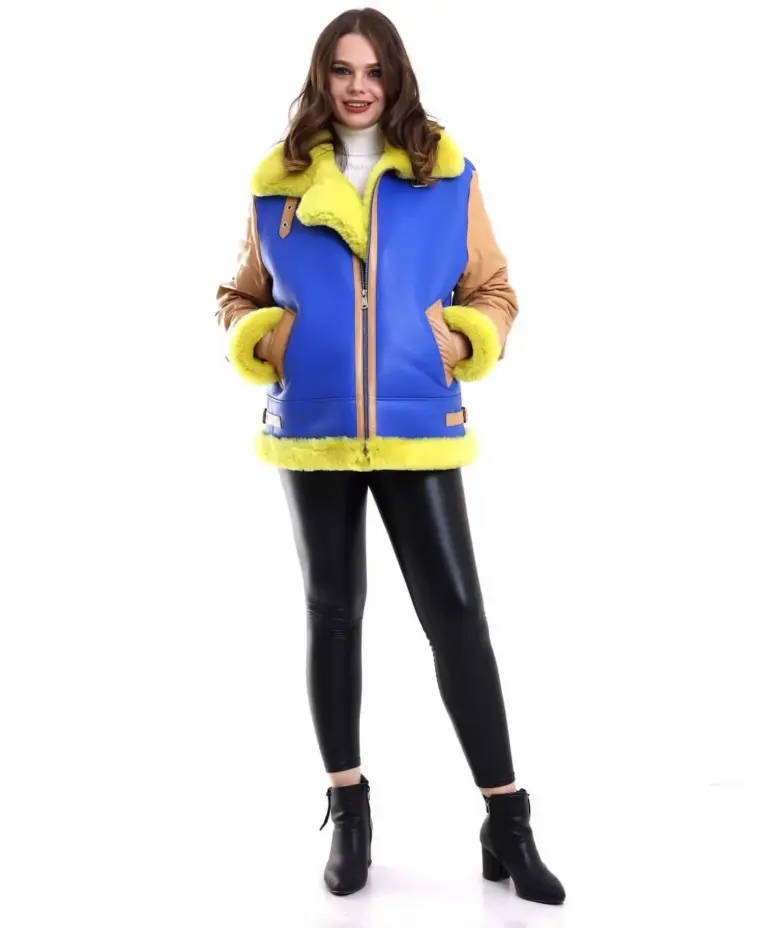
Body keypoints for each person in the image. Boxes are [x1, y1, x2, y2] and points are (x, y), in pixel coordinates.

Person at [215, 7, 565, 905]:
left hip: (417, 423)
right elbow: (235, 294)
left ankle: (507, 818)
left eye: (373, 70)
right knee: (333, 614)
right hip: (314, 428)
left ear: (396, 76)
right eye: (342, 70)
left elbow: (494, 287)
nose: (358, 86)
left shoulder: (445, 174)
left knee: (458, 617)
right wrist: (270, 339)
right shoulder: (277, 182)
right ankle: (349, 808)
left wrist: (464, 340)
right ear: (323, 79)